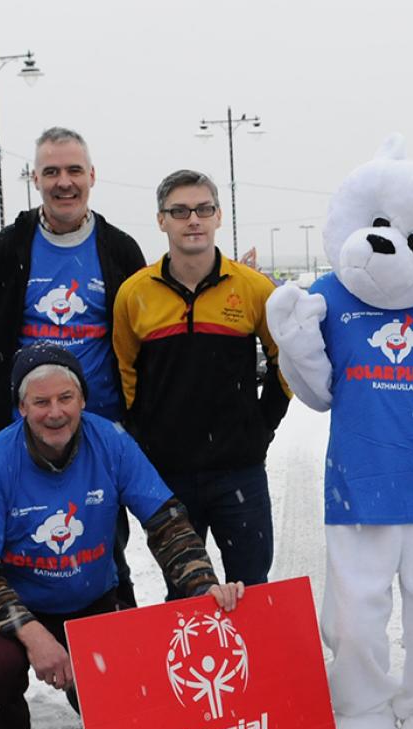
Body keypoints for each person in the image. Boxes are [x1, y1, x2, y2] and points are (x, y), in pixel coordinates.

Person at [0, 343, 245, 729]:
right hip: (19, 611)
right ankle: (9, 725)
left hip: (93, 600)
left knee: (128, 716)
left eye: (65, 398)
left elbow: (165, 521)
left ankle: (100, 708)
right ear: (21, 407)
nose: (55, 412)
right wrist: (34, 636)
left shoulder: (111, 441)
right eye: (41, 402)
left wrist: (201, 583)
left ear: (83, 400)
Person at [0, 126, 148, 608]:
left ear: (92, 175)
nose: (63, 182)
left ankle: (98, 654)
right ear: (34, 179)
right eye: (51, 172)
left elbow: (138, 335)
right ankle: (27, 635)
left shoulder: (120, 249)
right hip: (24, 431)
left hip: (102, 434)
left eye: (73, 171)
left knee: (103, 548)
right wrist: (35, 393)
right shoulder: (6, 249)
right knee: (21, 545)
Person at [111, 170, 291, 587]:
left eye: (203, 209)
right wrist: (145, 436)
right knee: (186, 593)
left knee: (251, 587)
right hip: (169, 475)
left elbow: (286, 361)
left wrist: (263, 426)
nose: (193, 219)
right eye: (179, 211)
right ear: (161, 220)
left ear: (218, 216)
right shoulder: (134, 294)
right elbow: (124, 372)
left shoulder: (253, 288)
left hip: (240, 471)